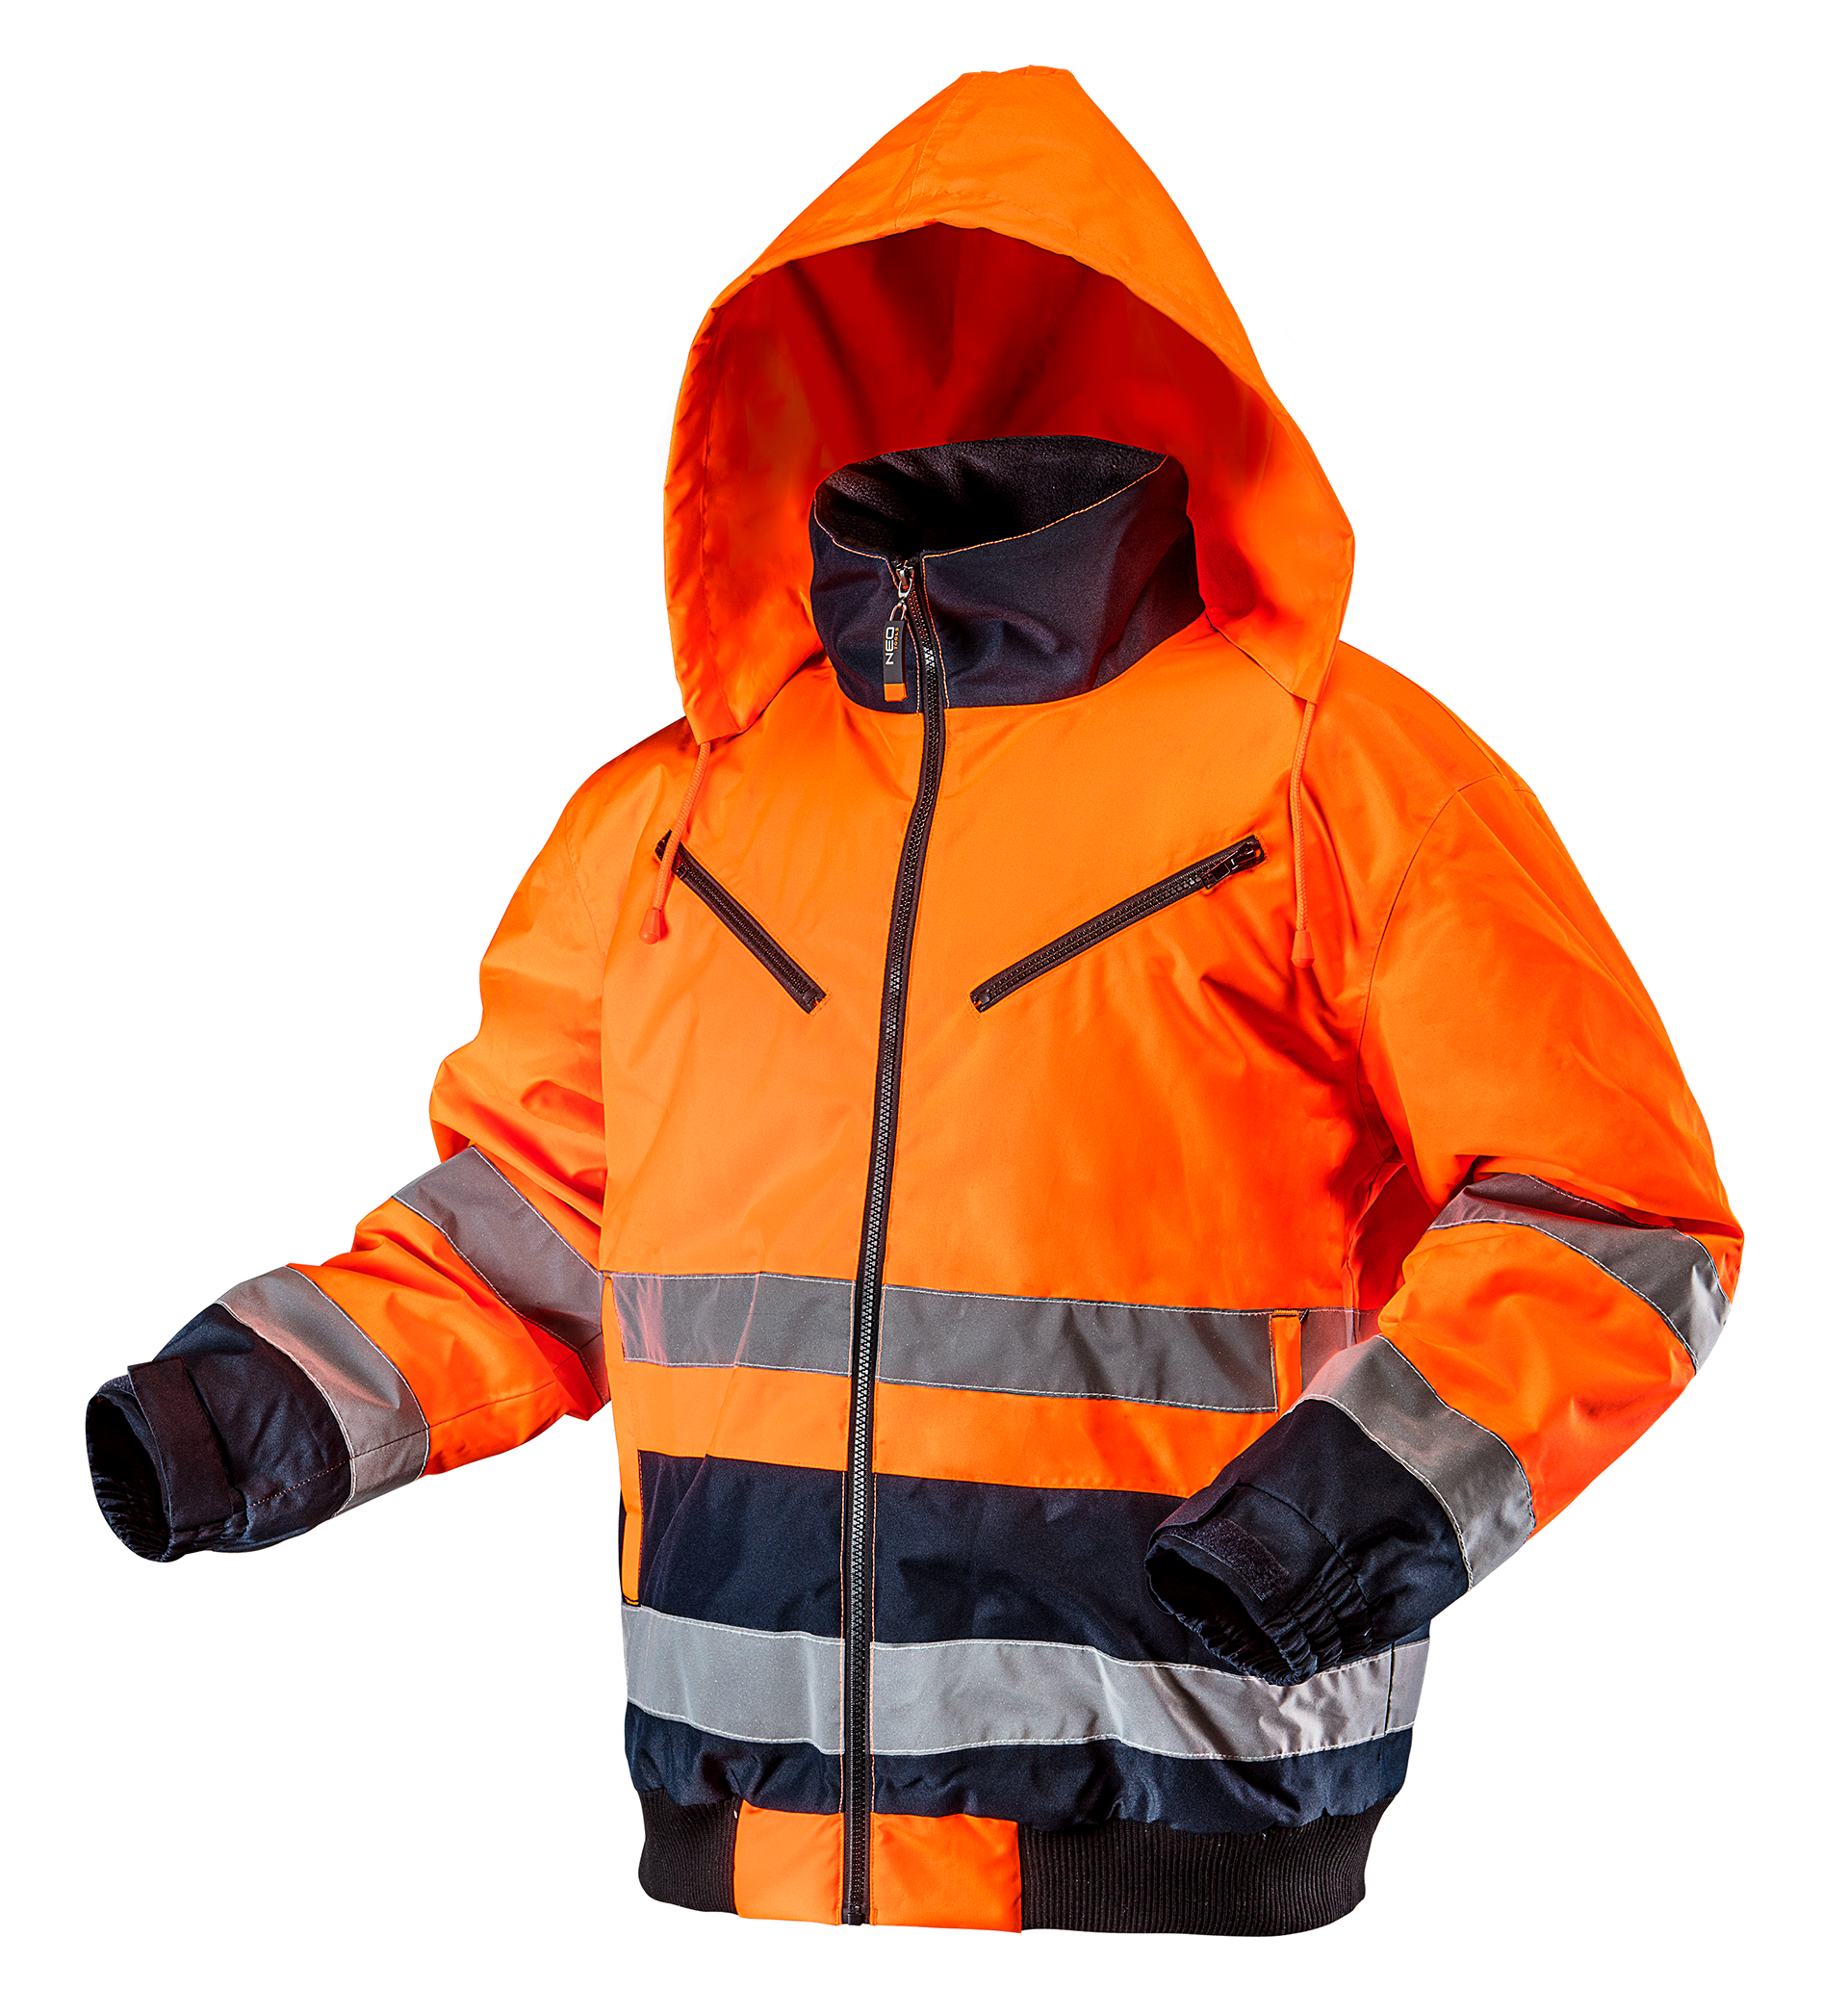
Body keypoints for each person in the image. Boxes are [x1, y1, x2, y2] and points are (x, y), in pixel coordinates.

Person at [83, 67, 1741, 1935]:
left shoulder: (1329, 777)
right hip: (733, 1840)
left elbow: (1615, 1213)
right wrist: (253, 1405)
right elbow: (541, 1219)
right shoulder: (671, 819)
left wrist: (1335, 1526)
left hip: (1182, 1824)